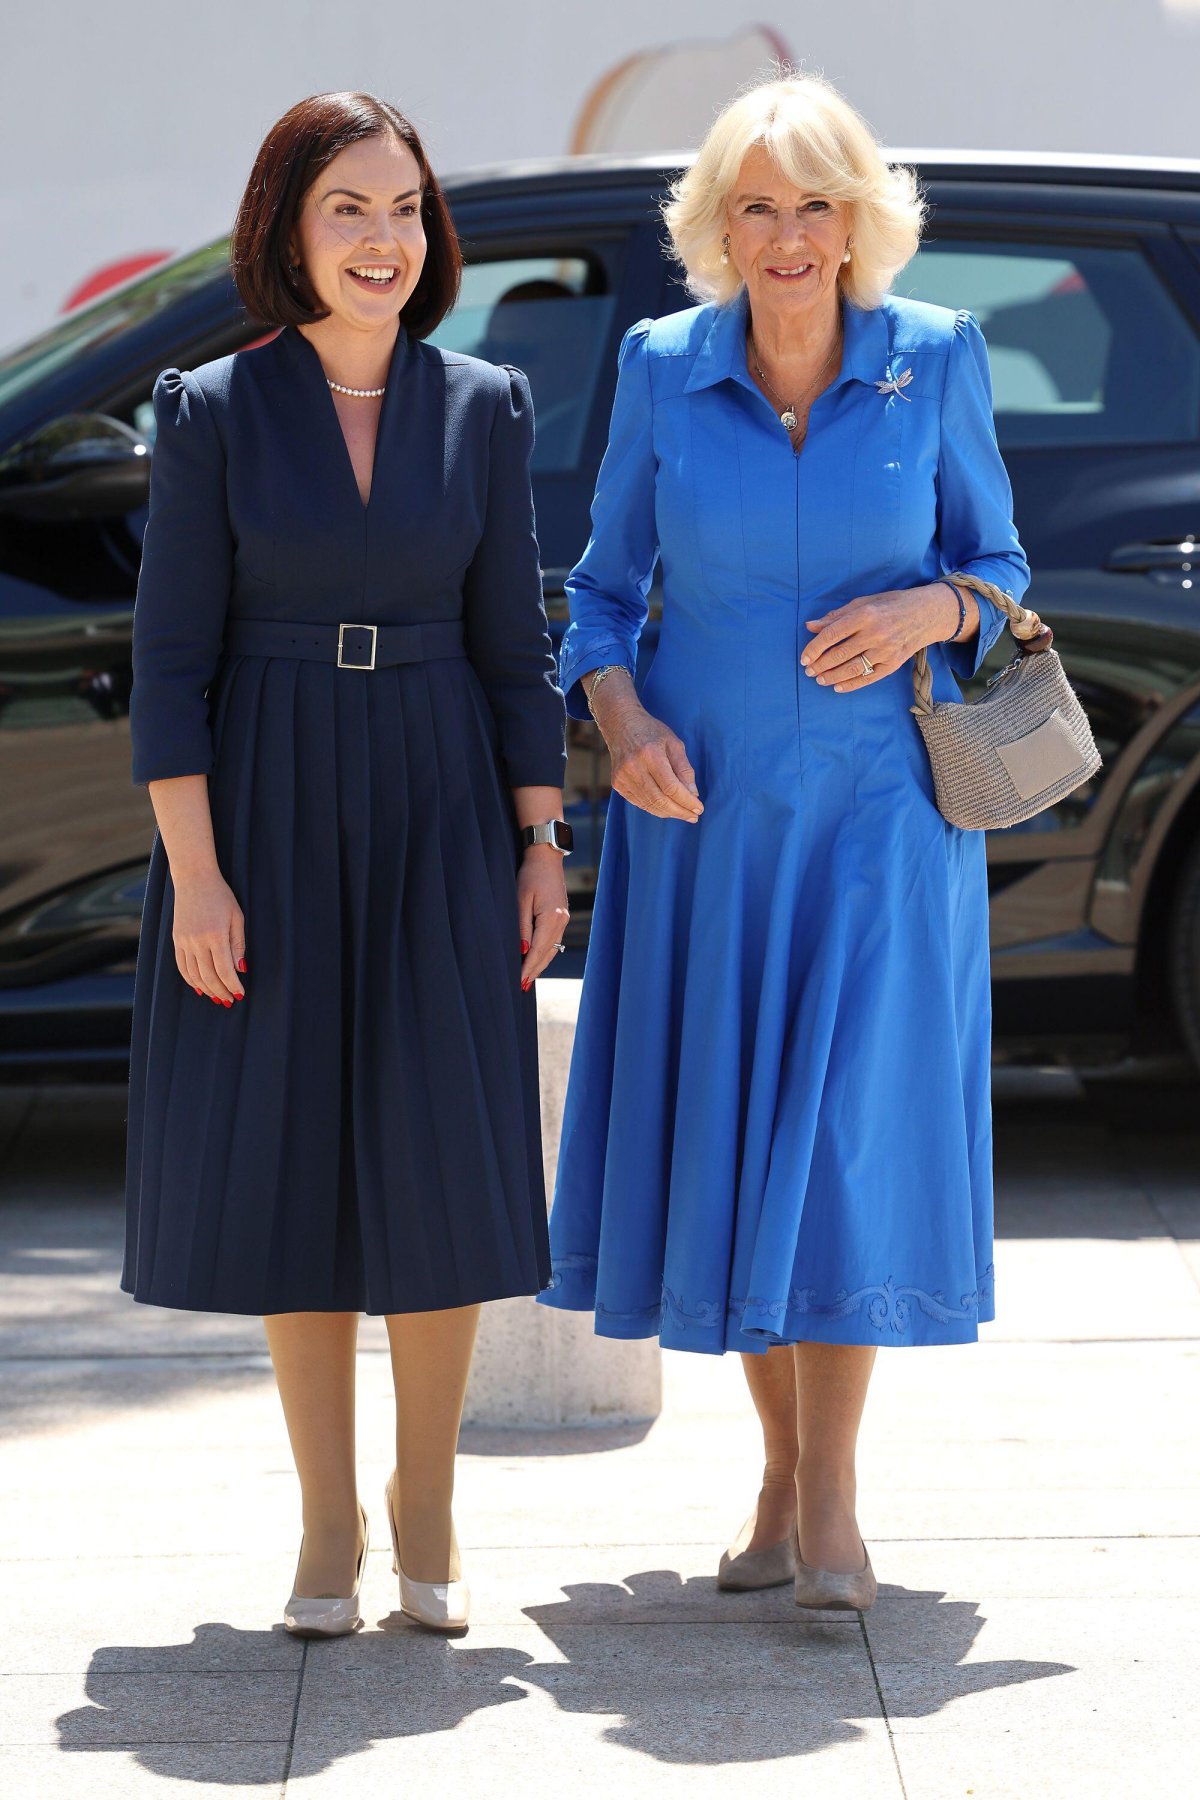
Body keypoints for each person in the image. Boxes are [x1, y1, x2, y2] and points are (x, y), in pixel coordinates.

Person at [538, 73, 1029, 1612]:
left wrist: (928, 609)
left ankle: (830, 1502)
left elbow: (1004, 570)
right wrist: (621, 726)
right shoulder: (661, 367)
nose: (789, 234)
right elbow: (602, 597)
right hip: (710, 826)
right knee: (743, 1145)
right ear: (718, 226)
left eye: (817, 203)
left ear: (861, 219)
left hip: (886, 831)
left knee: (842, 1154)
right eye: (757, 205)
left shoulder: (933, 358)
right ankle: (776, 1478)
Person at [123, 91, 570, 1637]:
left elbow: (520, 650)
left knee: (441, 1155)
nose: (384, 240)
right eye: (348, 210)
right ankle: (328, 1532)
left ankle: (426, 1508)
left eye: (404, 209)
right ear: (288, 229)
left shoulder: (487, 404)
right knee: (292, 1165)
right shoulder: (209, 409)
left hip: (444, 793)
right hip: (262, 797)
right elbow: (170, 664)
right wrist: (196, 874)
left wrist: (539, 841)